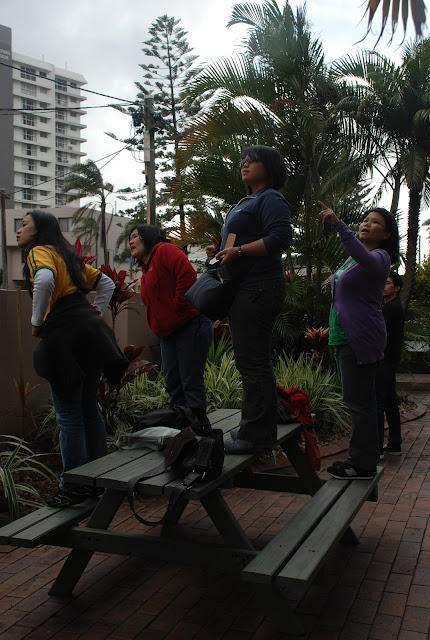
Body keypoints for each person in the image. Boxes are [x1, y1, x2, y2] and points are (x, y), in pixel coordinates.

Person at [16, 210, 129, 507]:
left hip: (65, 335)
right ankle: (98, 482)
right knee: (89, 410)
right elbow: (106, 284)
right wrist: (97, 311)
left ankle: (74, 487)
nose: (19, 230)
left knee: (69, 416)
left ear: (39, 230)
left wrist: (37, 322)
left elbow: (43, 281)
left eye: (24, 225)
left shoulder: (39, 252)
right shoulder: (67, 256)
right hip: (91, 334)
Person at [206, 145, 292, 454]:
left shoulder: (271, 198)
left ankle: (256, 436)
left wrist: (239, 251)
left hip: (259, 286)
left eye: (253, 160)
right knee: (250, 361)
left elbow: (281, 238)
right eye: (243, 160)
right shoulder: (246, 202)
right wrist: (221, 252)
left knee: (253, 362)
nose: (245, 164)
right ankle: (255, 429)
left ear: (269, 167)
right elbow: (238, 243)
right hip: (245, 286)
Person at [318, 202, 399, 479]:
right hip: (343, 336)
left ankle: (362, 463)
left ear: (386, 234)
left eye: (376, 222)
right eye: (365, 220)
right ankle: (360, 458)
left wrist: (338, 225)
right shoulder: (352, 259)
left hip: (361, 337)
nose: (367, 224)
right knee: (355, 400)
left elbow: (364, 259)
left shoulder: (380, 257)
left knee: (360, 402)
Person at [129, 224, 213, 420]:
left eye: (134, 236)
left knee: (190, 384)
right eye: (129, 239)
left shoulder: (164, 250)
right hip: (168, 334)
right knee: (173, 385)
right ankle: (181, 431)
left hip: (190, 325)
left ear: (148, 236)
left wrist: (178, 308)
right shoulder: (146, 269)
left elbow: (187, 275)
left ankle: (200, 431)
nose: (130, 242)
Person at [376, 271, 404, 457]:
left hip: (385, 360)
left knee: (379, 402)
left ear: (397, 288)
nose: (383, 286)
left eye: (387, 283)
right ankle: (394, 444)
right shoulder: (393, 306)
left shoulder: (391, 309)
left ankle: (377, 447)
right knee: (389, 402)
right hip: (390, 360)